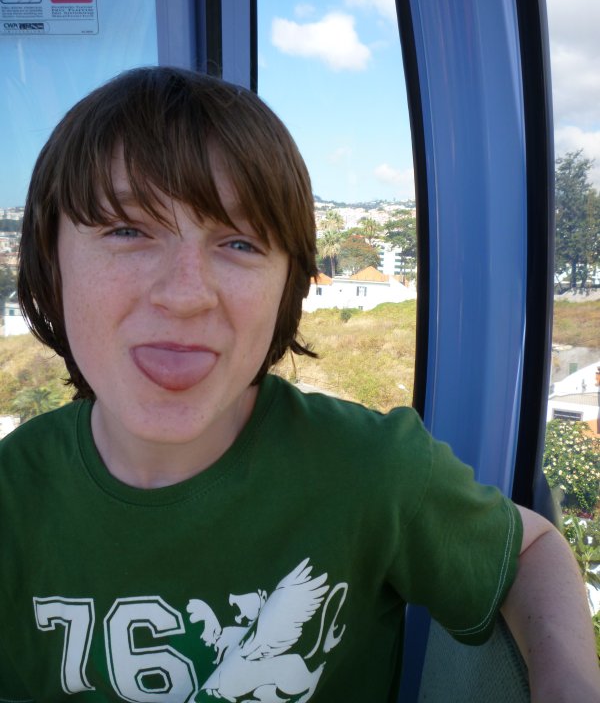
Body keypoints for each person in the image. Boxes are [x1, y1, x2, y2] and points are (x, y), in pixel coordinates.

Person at [0, 67, 597, 702]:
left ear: (287, 285)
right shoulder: (14, 500)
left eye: (238, 243)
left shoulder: (367, 469)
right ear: (50, 258)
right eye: (127, 230)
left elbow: (528, 555)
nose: (185, 294)